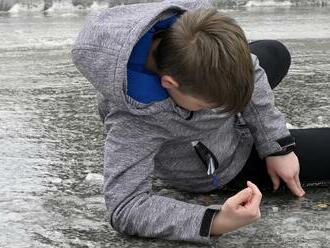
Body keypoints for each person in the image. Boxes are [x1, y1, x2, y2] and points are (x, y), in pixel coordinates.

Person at [71, 0, 330, 245]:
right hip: (223, 162)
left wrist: (276, 146)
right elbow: (125, 207)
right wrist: (216, 221)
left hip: (221, 125)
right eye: (209, 105)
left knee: (274, 52)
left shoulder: (184, 28)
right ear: (170, 84)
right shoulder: (134, 123)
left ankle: (229, 107)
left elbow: (251, 69)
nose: (227, 108)